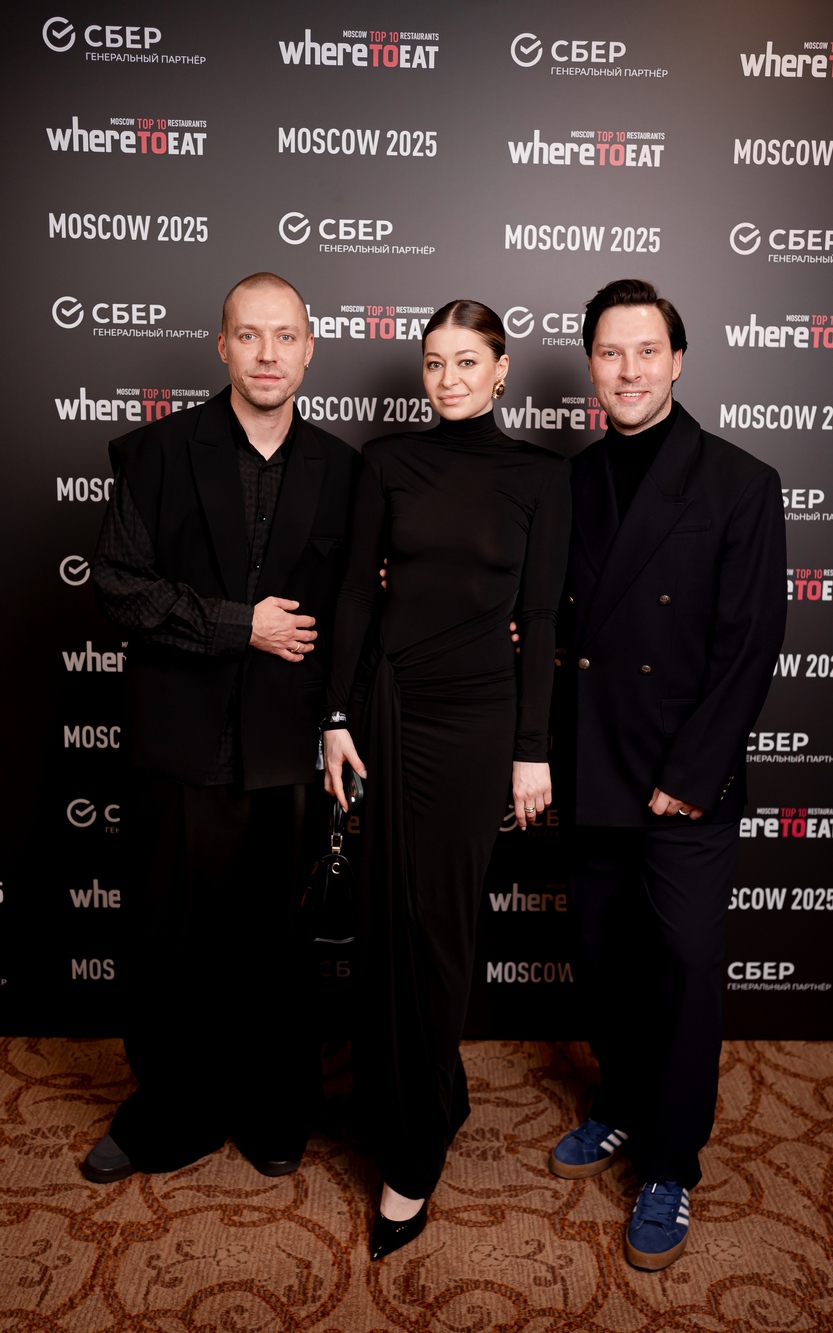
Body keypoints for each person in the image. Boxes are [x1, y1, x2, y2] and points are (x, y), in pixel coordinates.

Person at [82, 273, 357, 1183]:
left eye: (284, 336)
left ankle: (276, 1107)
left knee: (278, 946)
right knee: (173, 942)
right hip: (180, 741)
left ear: (309, 348)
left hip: (288, 747)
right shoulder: (158, 452)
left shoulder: (346, 470)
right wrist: (243, 625)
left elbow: (365, 610)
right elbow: (120, 586)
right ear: (222, 346)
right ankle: (171, 1112)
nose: (267, 354)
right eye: (249, 335)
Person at [323, 300, 571, 1259]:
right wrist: (336, 717)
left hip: (477, 723)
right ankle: (420, 1093)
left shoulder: (541, 476)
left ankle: (413, 1154)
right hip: (390, 707)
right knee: (387, 919)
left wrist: (531, 746)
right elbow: (356, 590)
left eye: (468, 361)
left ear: (501, 370)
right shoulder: (385, 461)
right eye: (434, 362)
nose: (449, 378)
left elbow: (540, 618)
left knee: (439, 928)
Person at [548, 279, 786, 1270]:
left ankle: (669, 1162)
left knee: (684, 970)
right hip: (591, 763)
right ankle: (620, 1099)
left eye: (647, 351)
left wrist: (691, 773)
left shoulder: (739, 480)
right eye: (611, 353)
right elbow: (542, 615)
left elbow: (751, 641)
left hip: (683, 781)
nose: (630, 370)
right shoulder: (566, 483)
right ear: (591, 367)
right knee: (604, 957)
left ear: (678, 360)